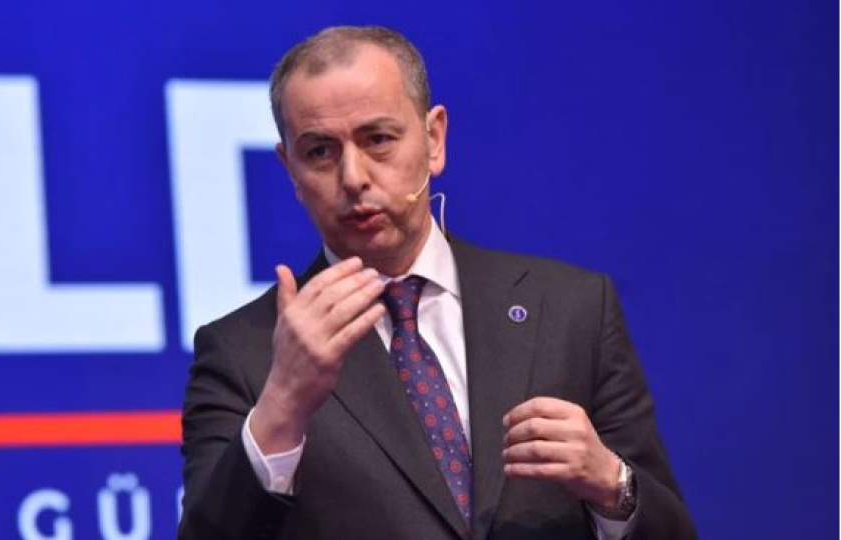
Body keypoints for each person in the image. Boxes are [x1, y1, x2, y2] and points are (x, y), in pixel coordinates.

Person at [179, 25, 696, 540]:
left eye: (378, 139)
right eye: (319, 152)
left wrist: (612, 485)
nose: (353, 176)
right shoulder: (243, 353)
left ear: (434, 139)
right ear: (289, 168)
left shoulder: (571, 309)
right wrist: (283, 406)